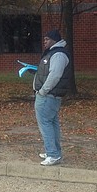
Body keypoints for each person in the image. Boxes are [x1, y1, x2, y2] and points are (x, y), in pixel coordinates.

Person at [33, 29, 70, 166]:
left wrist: (42, 91)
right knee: (51, 123)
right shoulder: (54, 53)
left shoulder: (58, 54)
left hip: (48, 96)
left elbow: (55, 75)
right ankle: (53, 151)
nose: (45, 42)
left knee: (46, 124)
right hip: (50, 96)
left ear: (54, 40)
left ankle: (53, 155)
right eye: (44, 39)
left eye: (47, 39)